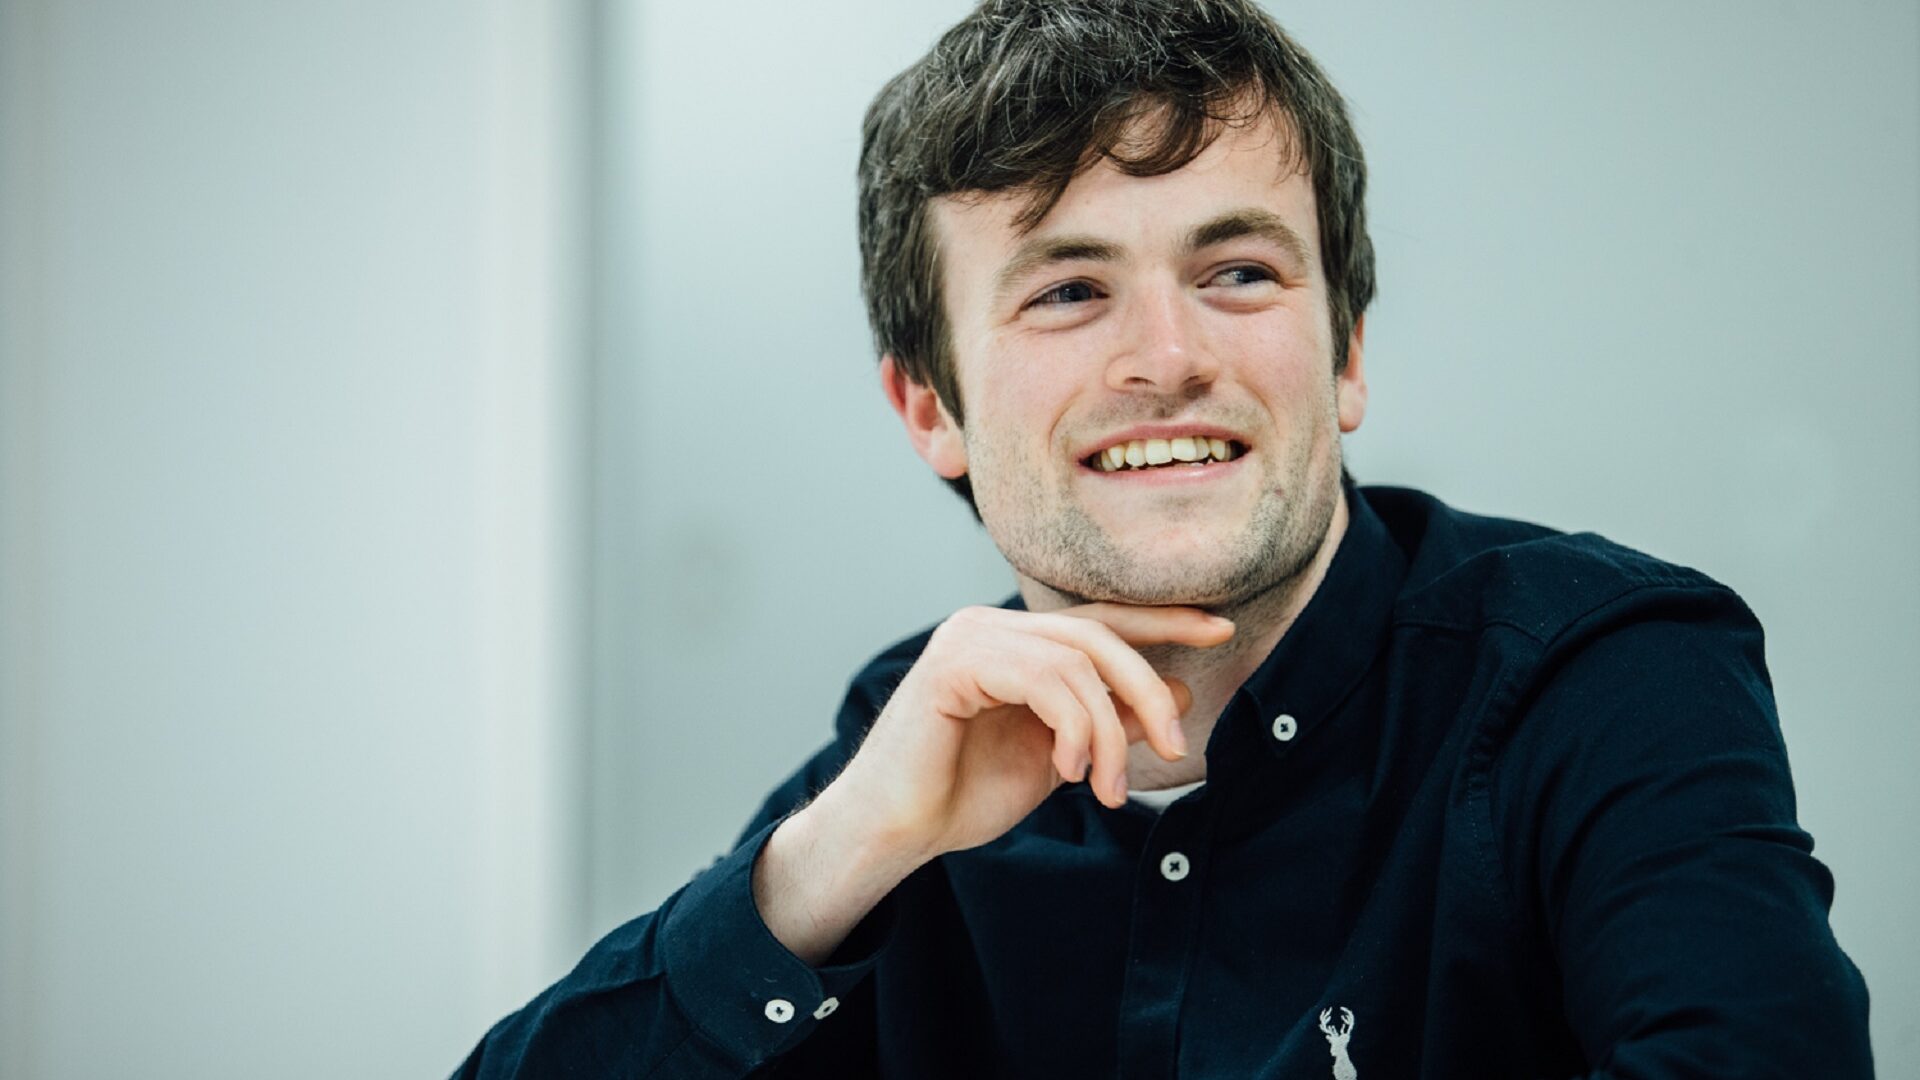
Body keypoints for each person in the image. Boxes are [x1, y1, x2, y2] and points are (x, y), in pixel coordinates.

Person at [454, 1, 1872, 1076]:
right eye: (1069, 291)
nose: (1170, 355)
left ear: (1346, 354)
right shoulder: (908, 747)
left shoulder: (1600, 674)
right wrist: (824, 868)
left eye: (1237, 271)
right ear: (932, 408)